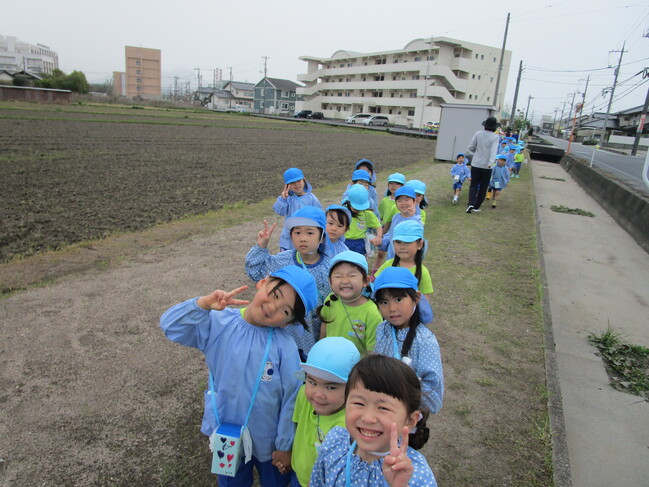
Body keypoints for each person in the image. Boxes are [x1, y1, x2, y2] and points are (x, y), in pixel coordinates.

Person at [160, 265, 318, 487]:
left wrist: (284, 445)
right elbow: (170, 326)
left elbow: (291, 397)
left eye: (285, 311)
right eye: (275, 295)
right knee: (231, 482)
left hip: (268, 440)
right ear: (262, 282)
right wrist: (203, 304)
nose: (272, 308)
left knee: (275, 482)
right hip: (226, 433)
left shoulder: (285, 346)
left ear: (288, 322)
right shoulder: (219, 322)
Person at [309, 355, 438, 487]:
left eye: (383, 407)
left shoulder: (416, 475)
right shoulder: (334, 442)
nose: (367, 418)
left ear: (410, 420)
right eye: (359, 403)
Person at [245, 207, 332, 357]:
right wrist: (261, 246)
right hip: (280, 324)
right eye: (297, 232)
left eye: (310, 233)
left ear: (322, 237)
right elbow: (256, 273)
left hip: (311, 330)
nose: (302, 238)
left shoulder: (329, 268)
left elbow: (332, 303)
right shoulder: (282, 259)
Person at [283, 337, 361, 487]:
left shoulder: (351, 424)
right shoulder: (303, 396)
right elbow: (295, 426)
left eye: (331, 387)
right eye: (312, 382)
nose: (318, 394)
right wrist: (286, 450)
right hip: (298, 476)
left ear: (352, 387)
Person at [372, 267, 443, 414]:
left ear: (416, 298)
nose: (391, 308)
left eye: (398, 299)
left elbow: (434, 398)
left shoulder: (425, 341)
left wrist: (401, 386)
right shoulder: (382, 329)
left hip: (408, 414)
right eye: (384, 302)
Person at [318, 250, 382, 355]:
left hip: (357, 369)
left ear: (365, 281)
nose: (345, 281)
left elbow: (372, 352)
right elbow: (325, 326)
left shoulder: (371, 312)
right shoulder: (330, 300)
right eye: (338, 276)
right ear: (330, 281)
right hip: (329, 363)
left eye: (352, 275)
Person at [273, 167, 322, 252]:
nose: (296, 184)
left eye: (298, 181)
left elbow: (320, 215)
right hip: (289, 239)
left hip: (307, 236)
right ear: (287, 186)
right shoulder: (287, 199)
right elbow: (280, 211)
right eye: (292, 183)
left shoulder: (312, 198)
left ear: (304, 180)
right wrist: (282, 199)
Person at [466, 116, 500, 214]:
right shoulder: (495, 137)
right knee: (483, 187)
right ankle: (476, 206)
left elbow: (471, 147)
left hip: (476, 163)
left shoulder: (478, 134)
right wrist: (490, 162)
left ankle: (471, 203)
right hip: (487, 166)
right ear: (494, 127)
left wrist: (476, 152)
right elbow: (494, 151)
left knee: (473, 185)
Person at [375, 173, 407, 274]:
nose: (393, 186)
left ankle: (392, 272)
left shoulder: (404, 203)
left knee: (394, 254)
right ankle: (376, 272)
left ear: (402, 186)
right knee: (380, 253)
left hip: (397, 233)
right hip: (386, 230)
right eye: (391, 183)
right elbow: (380, 216)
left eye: (397, 184)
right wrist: (380, 233)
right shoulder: (385, 201)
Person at [380, 186, 422, 261]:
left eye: (407, 200)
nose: (403, 203)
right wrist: (381, 241)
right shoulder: (395, 217)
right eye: (399, 201)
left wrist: (411, 216)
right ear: (395, 203)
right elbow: (391, 235)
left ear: (414, 201)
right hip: (392, 256)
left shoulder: (417, 220)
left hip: (407, 258)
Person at [342, 184, 383, 256]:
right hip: (344, 242)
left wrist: (379, 237)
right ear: (349, 202)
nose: (359, 210)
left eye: (361, 208)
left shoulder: (367, 214)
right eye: (356, 208)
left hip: (360, 243)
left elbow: (378, 226)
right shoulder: (343, 212)